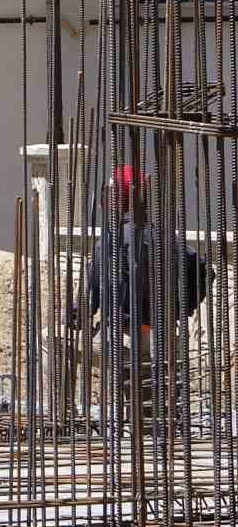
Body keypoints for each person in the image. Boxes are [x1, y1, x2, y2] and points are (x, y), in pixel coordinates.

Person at [69, 165, 212, 417]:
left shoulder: (110, 242)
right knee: (150, 422)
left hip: (122, 341)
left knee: (55, 342)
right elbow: (205, 271)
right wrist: (181, 308)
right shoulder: (169, 238)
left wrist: (74, 319)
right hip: (163, 341)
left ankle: (64, 414)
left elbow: (84, 306)